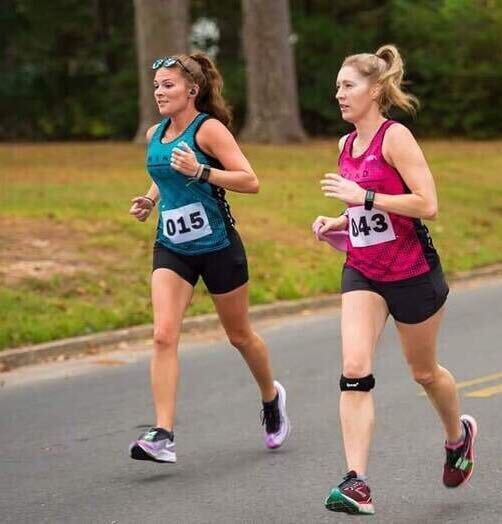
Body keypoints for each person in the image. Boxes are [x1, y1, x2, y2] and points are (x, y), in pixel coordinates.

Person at [313, 44, 477, 515]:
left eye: (348, 86)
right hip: (364, 270)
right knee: (354, 368)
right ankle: (356, 481)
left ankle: (457, 437)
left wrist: (363, 197)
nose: (338, 94)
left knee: (424, 372)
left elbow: (427, 204)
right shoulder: (345, 145)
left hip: (412, 273)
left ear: (376, 89)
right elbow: (362, 211)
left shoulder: (395, 137)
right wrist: (337, 221)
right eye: (337, 87)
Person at [128, 53, 290, 464]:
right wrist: (150, 200)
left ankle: (271, 397)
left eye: (169, 85)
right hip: (173, 247)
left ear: (192, 91)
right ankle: (163, 433)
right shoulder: (156, 133)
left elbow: (250, 181)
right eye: (157, 85)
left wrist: (202, 171)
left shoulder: (209, 130)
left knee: (240, 336)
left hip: (218, 247)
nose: (160, 92)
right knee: (164, 334)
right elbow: (165, 171)